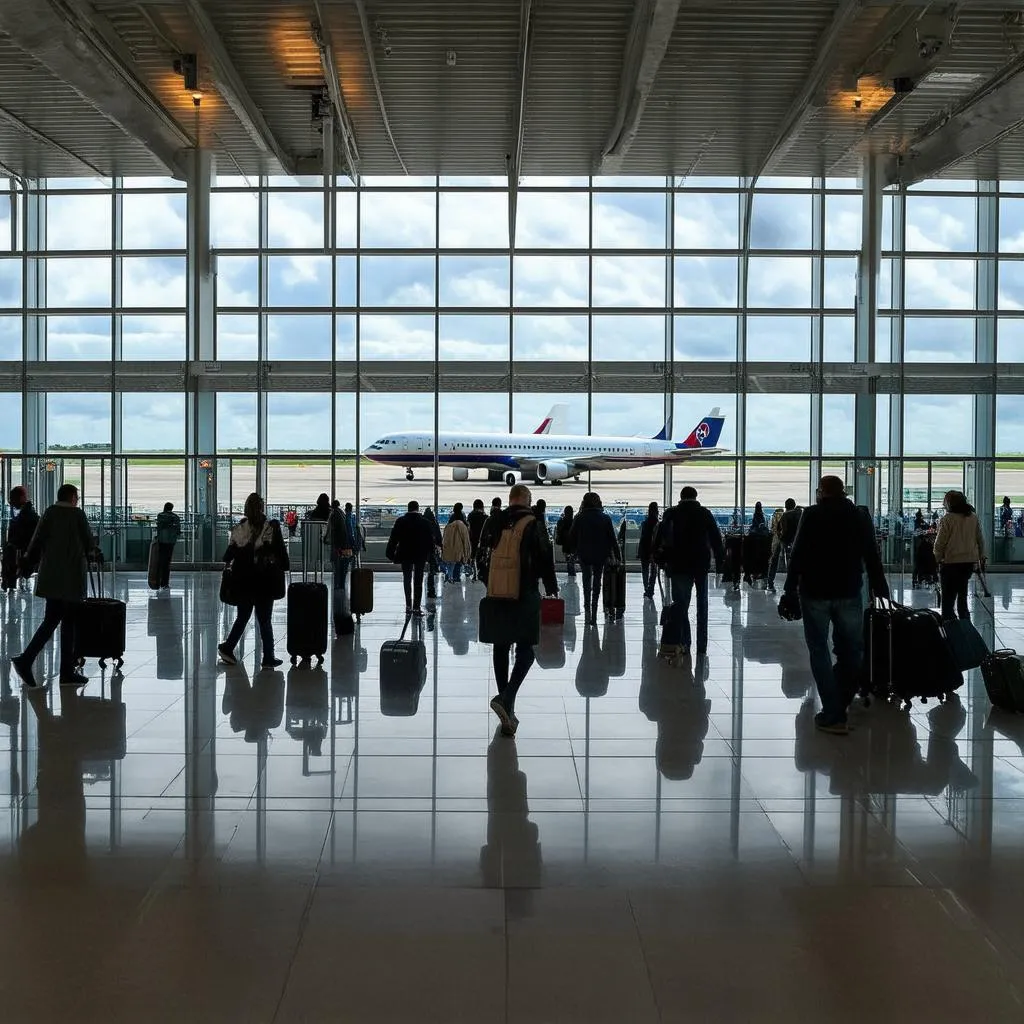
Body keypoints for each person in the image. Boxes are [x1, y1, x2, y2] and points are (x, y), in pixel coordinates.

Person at [782, 476, 889, 736]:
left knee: (819, 650)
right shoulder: (858, 516)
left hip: (815, 592)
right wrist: (879, 585)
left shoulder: (812, 515)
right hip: (849, 591)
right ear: (843, 492)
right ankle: (841, 699)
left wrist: (789, 589)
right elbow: (871, 553)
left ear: (822, 492)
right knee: (852, 650)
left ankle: (832, 711)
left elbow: (798, 553)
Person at [481, 483, 558, 736]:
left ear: (509, 499)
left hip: (496, 593)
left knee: (500, 647)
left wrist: (491, 582)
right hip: (524, 593)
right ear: (526, 500)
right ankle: (507, 698)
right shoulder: (533, 523)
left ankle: (507, 710)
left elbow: (481, 556)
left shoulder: (494, 521)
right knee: (526, 651)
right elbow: (545, 556)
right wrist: (550, 586)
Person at [11, 483, 93, 689]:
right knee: (66, 623)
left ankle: (65, 671)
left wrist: (27, 561)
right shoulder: (77, 515)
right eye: (77, 496)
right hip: (72, 578)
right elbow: (89, 543)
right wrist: (92, 552)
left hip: (51, 578)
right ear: (73, 497)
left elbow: (36, 541)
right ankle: (28, 660)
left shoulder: (49, 513)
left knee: (54, 619)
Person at [218, 492, 289, 668]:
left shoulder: (240, 529)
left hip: (243, 582)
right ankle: (268, 657)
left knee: (243, 616)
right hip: (263, 582)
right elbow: (280, 554)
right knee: (264, 620)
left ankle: (228, 647)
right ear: (262, 508)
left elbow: (227, 555)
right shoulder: (270, 528)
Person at [656, 486, 725, 661]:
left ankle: (685, 642)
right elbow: (716, 538)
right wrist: (720, 562)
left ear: (681, 497)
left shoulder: (671, 513)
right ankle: (702, 646)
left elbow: (660, 537)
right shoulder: (704, 513)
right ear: (695, 496)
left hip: (678, 565)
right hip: (700, 564)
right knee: (702, 604)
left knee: (681, 605)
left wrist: (658, 557)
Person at [568, 492, 620, 627]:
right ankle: (595, 609)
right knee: (597, 581)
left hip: (584, 554)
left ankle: (587, 607)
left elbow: (572, 537)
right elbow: (613, 540)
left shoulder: (579, 518)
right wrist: (617, 556)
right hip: (600, 555)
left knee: (586, 580)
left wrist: (572, 552)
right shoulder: (605, 518)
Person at [934, 490, 985, 622]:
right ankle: (965, 622)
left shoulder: (948, 519)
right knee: (962, 593)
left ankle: (949, 624)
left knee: (948, 598)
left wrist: (937, 559)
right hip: (968, 562)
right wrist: (981, 556)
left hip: (950, 562)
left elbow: (940, 543)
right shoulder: (973, 517)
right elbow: (980, 539)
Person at [386, 500, 435, 616]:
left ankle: (408, 605)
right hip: (420, 555)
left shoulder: (401, 521)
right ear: (418, 509)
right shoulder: (425, 522)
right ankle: (417, 607)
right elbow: (430, 541)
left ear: (408, 509)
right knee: (418, 579)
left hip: (405, 554)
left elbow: (393, 539)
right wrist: (431, 555)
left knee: (407, 579)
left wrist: (390, 553)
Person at [4, 485, 40, 592]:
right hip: (27, 550)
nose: (11, 502)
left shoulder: (25, 516)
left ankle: (11, 582)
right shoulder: (30, 514)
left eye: (13, 499)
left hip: (25, 550)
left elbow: (20, 535)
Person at [766, 498, 801, 593]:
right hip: (796, 541)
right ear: (794, 505)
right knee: (792, 563)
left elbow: (782, 529)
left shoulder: (785, 515)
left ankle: (770, 582)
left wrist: (780, 536)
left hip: (784, 541)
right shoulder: (799, 514)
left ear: (786, 506)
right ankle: (795, 584)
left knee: (775, 560)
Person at [327, 499, 355, 598]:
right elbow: (350, 532)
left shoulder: (334, 515)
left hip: (339, 546)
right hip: (345, 546)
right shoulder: (344, 515)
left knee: (338, 567)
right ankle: (341, 585)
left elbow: (333, 531)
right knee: (343, 568)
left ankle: (338, 586)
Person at [442, 502, 472, 583]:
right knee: (458, 563)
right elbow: (466, 538)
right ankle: (456, 577)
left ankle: (449, 577)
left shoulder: (450, 521)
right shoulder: (463, 522)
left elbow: (445, 536)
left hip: (450, 546)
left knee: (450, 563)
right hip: (459, 548)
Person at [154, 501, 181, 590]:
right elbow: (178, 531)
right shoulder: (175, 517)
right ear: (172, 508)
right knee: (167, 563)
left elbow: (158, 528)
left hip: (161, 541)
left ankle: (157, 581)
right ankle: (165, 583)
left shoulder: (160, 516)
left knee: (160, 561)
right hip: (170, 542)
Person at [637, 502, 659, 599]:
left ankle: (646, 588)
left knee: (645, 571)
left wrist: (639, 551)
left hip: (644, 550)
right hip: (654, 550)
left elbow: (643, 538)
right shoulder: (658, 524)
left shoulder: (645, 523)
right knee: (653, 571)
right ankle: (651, 589)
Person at [468, 498, 488, 579]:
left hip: (473, 539)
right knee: (481, 556)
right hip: (482, 539)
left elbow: (469, 528)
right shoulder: (485, 517)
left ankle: (474, 573)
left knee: (472, 556)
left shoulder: (470, 516)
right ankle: (480, 572)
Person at [554, 504, 576, 577]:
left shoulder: (562, 521)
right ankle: (572, 574)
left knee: (568, 559)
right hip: (573, 544)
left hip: (565, 544)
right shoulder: (574, 521)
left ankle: (571, 573)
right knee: (572, 560)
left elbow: (559, 532)